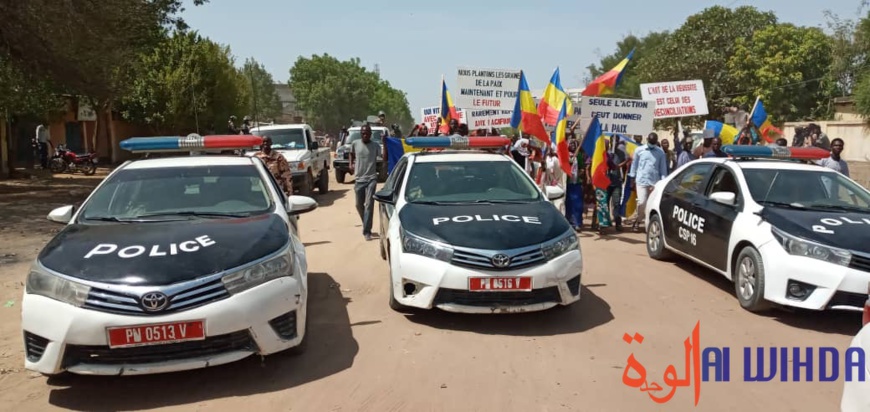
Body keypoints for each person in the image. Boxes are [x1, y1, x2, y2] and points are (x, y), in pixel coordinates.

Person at [628, 132, 668, 232]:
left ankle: (648, 225)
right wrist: (632, 179)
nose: (652, 144)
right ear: (647, 140)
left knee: (652, 205)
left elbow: (663, 169)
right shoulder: (639, 150)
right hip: (641, 181)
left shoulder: (660, 153)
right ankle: (638, 220)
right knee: (642, 203)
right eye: (651, 142)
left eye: (654, 142)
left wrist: (663, 183)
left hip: (654, 183)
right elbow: (634, 165)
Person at [349, 124, 381, 240]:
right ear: (360, 134)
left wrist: (385, 142)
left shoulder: (375, 146)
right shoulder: (355, 144)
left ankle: (367, 231)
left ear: (370, 134)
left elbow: (384, 158)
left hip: (371, 178)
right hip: (359, 179)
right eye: (363, 133)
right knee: (358, 205)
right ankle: (366, 222)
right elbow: (351, 154)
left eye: (367, 133)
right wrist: (350, 164)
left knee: (369, 204)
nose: (365, 135)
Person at [565, 140, 586, 231]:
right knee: (568, 204)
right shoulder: (564, 155)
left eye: (574, 144)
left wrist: (578, 174)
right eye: (571, 144)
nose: (573, 146)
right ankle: (569, 223)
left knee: (578, 205)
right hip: (566, 184)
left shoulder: (578, 155)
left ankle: (577, 223)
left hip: (576, 183)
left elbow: (582, 168)